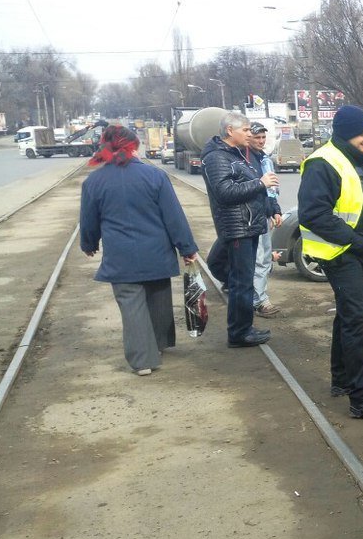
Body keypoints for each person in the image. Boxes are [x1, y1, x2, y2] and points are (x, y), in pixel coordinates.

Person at [297, 104, 363, 420]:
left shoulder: (361, 159)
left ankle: (343, 379)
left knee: (348, 316)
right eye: (362, 133)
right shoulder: (323, 162)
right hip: (341, 253)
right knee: (357, 320)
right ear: (345, 133)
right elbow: (314, 214)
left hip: (360, 250)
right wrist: (357, 241)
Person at [79, 124, 199, 375]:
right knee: (158, 298)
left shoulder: (94, 181)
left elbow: (89, 220)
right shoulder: (154, 176)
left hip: (120, 256)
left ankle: (143, 361)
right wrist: (187, 248)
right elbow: (174, 217)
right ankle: (158, 344)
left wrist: (89, 244)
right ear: (133, 146)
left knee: (131, 304)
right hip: (157, 252)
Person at [202, 112, 278, 348]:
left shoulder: (236, 154)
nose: (249, 134)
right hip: (238, 227)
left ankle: (244, 328)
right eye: (245, 130)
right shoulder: (217, 157)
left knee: (244, 280)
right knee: (241, 282)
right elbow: (224, 192)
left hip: (248, 225)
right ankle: (239, 333)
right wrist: (260, 183)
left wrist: (269, 206)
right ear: (229, 131)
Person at [248, 122, 283, 318]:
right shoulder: (246, 159)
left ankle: (258, 297)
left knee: (263, 259)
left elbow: (271, 190)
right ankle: (259, 301)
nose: (261, 141)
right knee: (260, 260)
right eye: (257, 137)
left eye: (263, 137)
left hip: (264, 215)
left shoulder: (264, 159)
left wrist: (275, 210)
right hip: (254, 216)